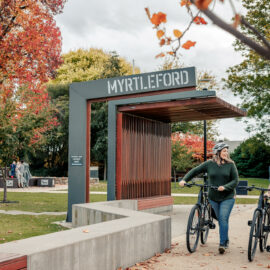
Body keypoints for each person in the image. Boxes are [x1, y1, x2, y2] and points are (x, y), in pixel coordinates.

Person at [179, 142, 239, 254]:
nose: (226, 153)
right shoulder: (209, 164)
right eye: (224, 151)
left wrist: (225, 187)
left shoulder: (231, 165)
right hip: (213, 197)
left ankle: (223, 244)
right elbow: (195, 171)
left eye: (227, 151)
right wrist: (184, 180)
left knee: (222, 218)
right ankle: (225, 237)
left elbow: (235, 181)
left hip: (228, 197)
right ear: (217, 152)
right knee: (219, 218)